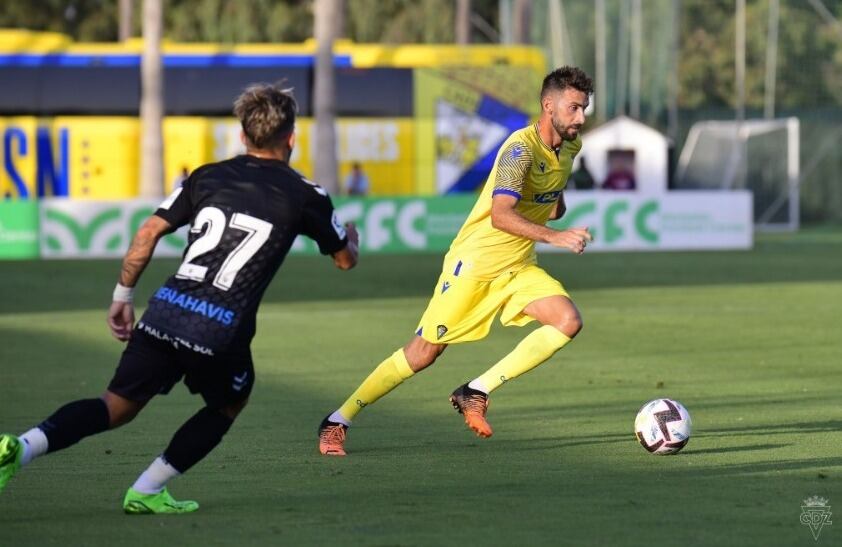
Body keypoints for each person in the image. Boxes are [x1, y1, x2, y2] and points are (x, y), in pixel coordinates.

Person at [0, 83, 359, 513]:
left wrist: (122, 294)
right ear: (292, 138)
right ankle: (148, 489)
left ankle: (21, 447)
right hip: (219, 329)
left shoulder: (206, 175)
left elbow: (148, 232)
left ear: (243, 135)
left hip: (166, 312)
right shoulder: (307, 194)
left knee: (114, 406)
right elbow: (344, 260)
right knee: (230, 401)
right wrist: (350, 239)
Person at [318, 66, 594, 456]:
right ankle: (338, 420)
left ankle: (475, 390)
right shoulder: (519, 149)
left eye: (584, 108)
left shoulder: (570, 147)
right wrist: (556, 236)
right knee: (422, 354)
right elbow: (500, 215)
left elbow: (551, 198)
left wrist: (554, 209)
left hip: (517, 266)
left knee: (568, 320)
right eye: (573, 108)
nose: (581, 117)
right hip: (475, 264)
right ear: (548, 106)